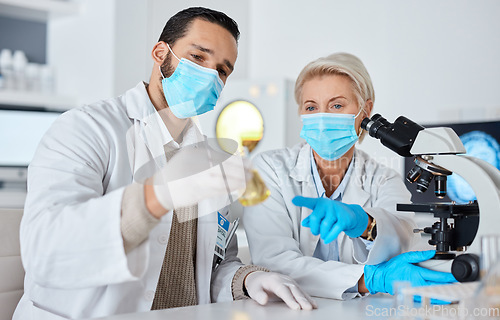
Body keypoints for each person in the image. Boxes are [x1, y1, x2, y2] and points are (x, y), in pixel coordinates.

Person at [13, 7, 316, 320]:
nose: (210, 75)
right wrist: (154, 197)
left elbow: (211, 264)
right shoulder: (87, 128)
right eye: (198, 57)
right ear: (161, 53)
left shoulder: (210, 159)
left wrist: (248, 279)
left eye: (222, 70)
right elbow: (46, 251)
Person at [243, 52, 456, 300]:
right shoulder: (269, 169)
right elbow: (274, 263)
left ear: (365, 111)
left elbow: (402, 240)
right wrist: (370, 279)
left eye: (336, 105)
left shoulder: (383, 178)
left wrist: (365, 224)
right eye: (311, 107)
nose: (322, 118)